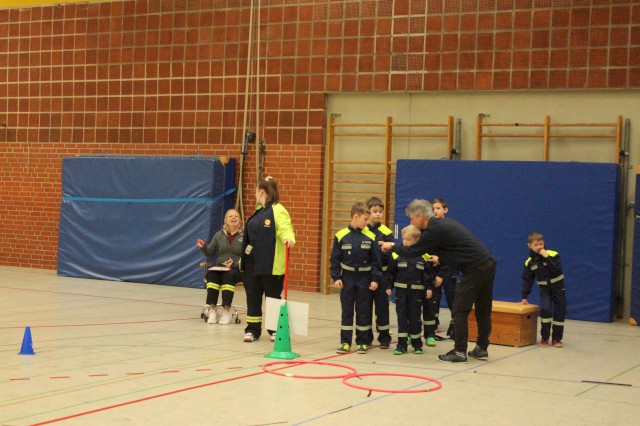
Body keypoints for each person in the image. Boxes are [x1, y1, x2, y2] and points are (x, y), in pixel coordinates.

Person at [381, 199, 496, 363]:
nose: (411, 222)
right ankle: (482, 348)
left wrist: (392, 246)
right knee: (483, 309)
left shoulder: (432, 230)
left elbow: (412, 251)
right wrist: (441, 260)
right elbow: (456, 250)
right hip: (487, 263)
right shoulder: (443, 225)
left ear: (421, 216)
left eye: (412, 219)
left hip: (474, 268)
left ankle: (460, 352)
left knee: (459, 309)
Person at [241, 177, 296, 342]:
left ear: (261, 192)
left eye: (256, 190)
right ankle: (252, 330)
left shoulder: (278, 210)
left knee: (273, 297)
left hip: (271, 264)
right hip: (252, 264)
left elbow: (285, 227)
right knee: (253, 296)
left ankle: (274, 330)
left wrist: (289, 238)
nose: (254, 194)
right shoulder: (257, 211)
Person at [330, 202, 382, 354]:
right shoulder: (340, 236)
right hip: (347, 279)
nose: (367, 222)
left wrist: (375, 279)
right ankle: (345, 342)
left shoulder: (370, 236)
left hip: (364, 279)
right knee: (347, 311)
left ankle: (362, 342)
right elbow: (335, 259)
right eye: (365, 219)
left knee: (363, 311)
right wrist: (336, 277)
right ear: (355, 217)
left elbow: (376, 261)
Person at [384, 225, 436, 355]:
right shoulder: (396, 254)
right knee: (402, 318)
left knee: (415, 318)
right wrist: (388, 286)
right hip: (401, 293)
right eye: (404, 239)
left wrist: (429, 288)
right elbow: (391, 273)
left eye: (409, 240)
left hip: (416, 293)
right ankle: (401, 345)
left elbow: (428, 274)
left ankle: (417, 344)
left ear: (417, 241)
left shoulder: (423, 256)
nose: (406, 242)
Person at [196, 208, 243, 325]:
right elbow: (209, 252)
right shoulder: (219, 235)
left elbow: (250, 255)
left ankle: (227, 311)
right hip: (220, 267)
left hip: (237, 269)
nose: (233, 218)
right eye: (230, 216)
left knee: (228, 276)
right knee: (211, 275)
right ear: (226, 220)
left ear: (240, 221)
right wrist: (203, 247)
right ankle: (213, 310)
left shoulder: (245, 236)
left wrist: (235, 263)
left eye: (236, 216)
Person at [521, 232, 566, 348]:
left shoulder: (553, 255)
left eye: (541, 244)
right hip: (544, 289)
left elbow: (557, 270)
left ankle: (557, 338)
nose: (539, 247)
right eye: (536, 245)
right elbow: (527, 280)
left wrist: (547, 257)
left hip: (558, 288)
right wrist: (524, 296)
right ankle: (545, 338)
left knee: (560, 312)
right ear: (529, 246)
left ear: (544, 243)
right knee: (546, 310)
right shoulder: (530, 262)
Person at [364, 196, 393, 348]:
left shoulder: (386, 232)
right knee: (365, 307)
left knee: (382, 307)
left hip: (381, 276)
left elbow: (389, 255)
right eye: (375, 211)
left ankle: (384, 338)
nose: (378, 214)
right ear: (367, 212)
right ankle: (366, 337)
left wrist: (384, 248)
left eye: (380, 212)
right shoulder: (362, 230)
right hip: (366, 275)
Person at [431, 198, 458, 340]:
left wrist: (441, 272)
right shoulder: (431, 227)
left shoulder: (448, 227)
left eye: (438, 208)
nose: (435, 211)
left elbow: (449, 252)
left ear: (445, 210)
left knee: (451, 297)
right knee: (433, 298)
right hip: (435, 269)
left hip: (448, 268)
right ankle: (432, 325)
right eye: (433, 208)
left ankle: (455, 325)